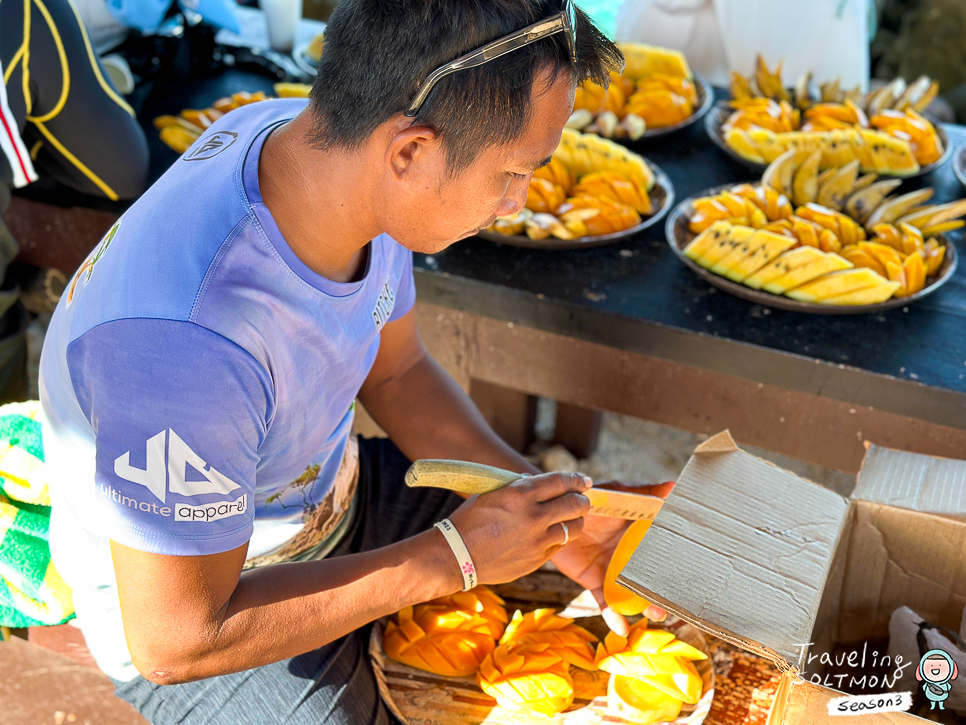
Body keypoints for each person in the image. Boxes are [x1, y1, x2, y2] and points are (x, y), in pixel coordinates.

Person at [39, 1, 666, 722]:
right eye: (514, 172)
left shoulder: (330, 153)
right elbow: (176, 641)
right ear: (410, 153)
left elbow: (398, 373)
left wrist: (547, 506)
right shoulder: (186, 341)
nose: (516, 202)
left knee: (580, 590)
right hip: (211, 599)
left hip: (328, 501)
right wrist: (451, 556)